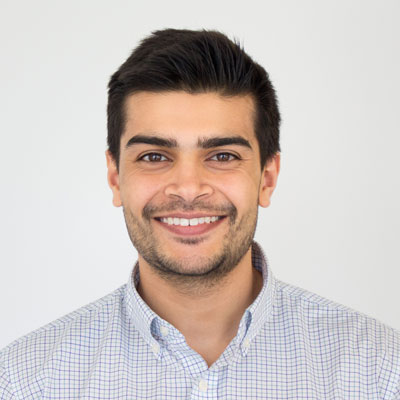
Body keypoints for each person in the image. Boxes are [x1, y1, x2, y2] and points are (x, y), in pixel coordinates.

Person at [1, 28, 399, 400]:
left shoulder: (380, 372)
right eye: (154, 156)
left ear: (267, 178)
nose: (188, 188)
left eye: (222, 156)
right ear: (115, 177)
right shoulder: (24, 382)